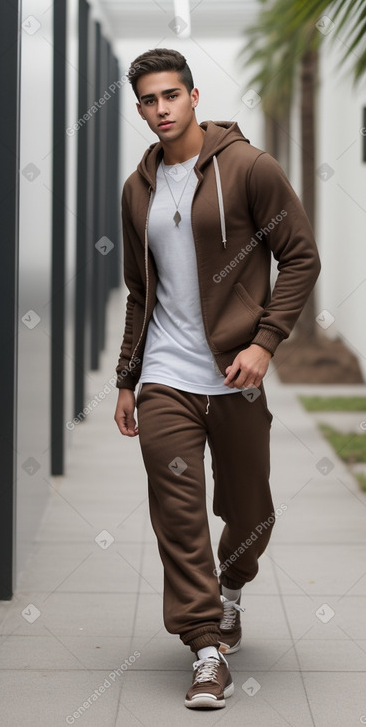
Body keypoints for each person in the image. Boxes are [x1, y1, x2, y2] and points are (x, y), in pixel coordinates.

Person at [114, 48, 321, 709]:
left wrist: (264, 343)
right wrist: (127, 377)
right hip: (167, 378)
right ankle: (205, 648)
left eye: (169, 95)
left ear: (194, 97)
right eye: (147, 100)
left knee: (248, 515)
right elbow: (138, 293)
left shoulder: (249, 168)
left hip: (236, 377)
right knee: (178, 515)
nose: (159, 110)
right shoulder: (136, 189)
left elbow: (299, 258)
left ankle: (231, 589)